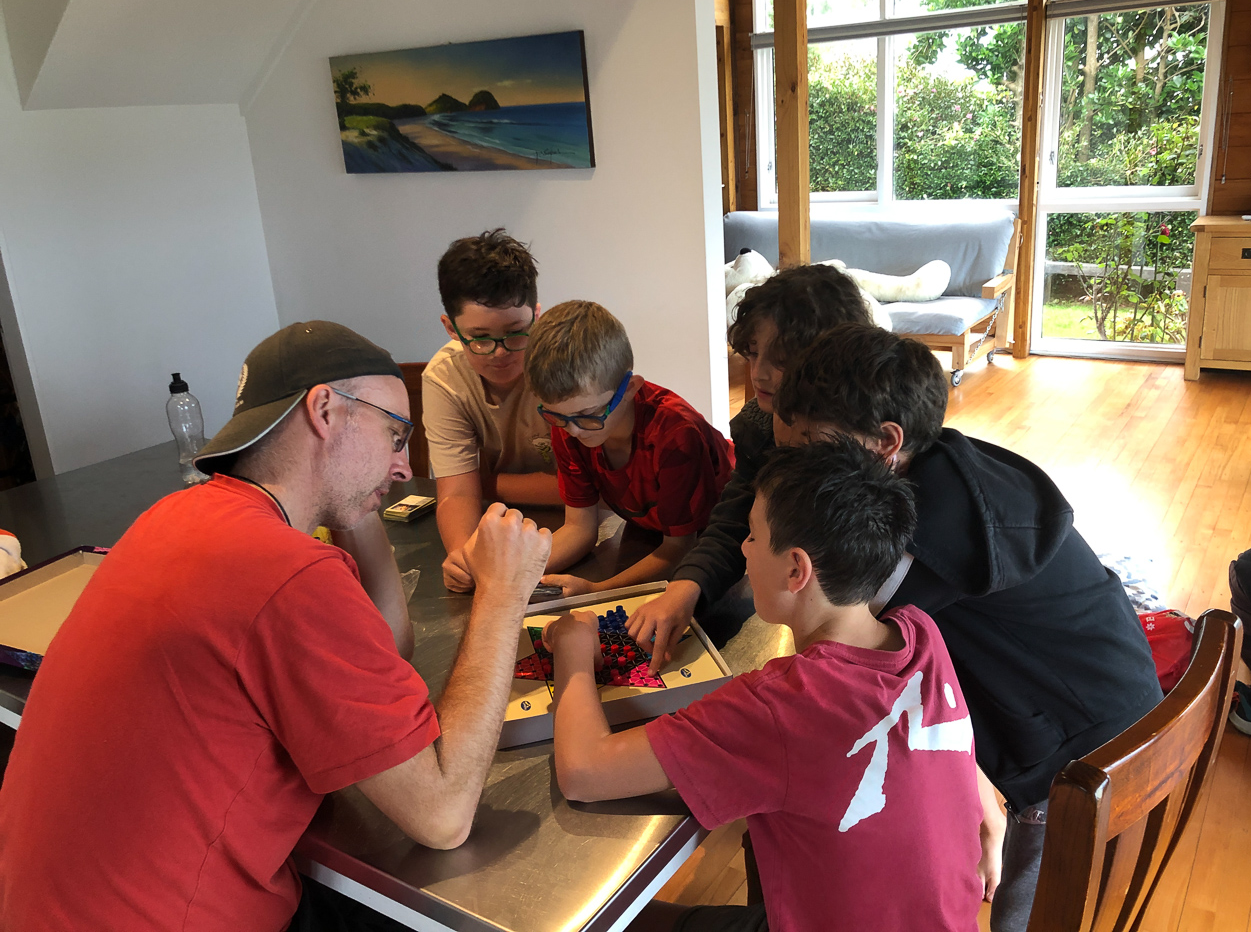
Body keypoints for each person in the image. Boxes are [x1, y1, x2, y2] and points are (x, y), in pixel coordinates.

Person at [0, 321, 552, 932]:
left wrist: (353, 495)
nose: (402, 467)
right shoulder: (286, 573)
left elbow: (383, 652)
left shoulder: (179, 516)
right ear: (325, 411)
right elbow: (443, 815)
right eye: (395, 435)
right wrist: (503, 595)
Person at [772, 323, 1165, 932]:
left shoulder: (927, 531)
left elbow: (840, 632)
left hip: (1082, 751)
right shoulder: (943, 465)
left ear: (885, 442)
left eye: (811, 444)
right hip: (1109, 699)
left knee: (1029, 913)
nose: (799, 464)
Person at [543, 438, 984, 932]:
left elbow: (583, 772)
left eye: (752, 535)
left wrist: (573, 649)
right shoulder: (921, 633)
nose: (743, 548)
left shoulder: (782, 704)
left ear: (796, 569)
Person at [625, 264, 874, 668]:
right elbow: (735, 516)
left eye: (781, 360)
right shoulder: (759, 424)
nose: (758, 374)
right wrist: (686, 585)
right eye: (753, 353)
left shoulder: (868, 444)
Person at [523, 300, 734, 597]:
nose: (573, 431)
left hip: (724, 532)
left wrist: (597, 590)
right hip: (655, 530)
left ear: (631, 388)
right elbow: (579, 528)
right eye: (557, 416)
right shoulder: (570, 424)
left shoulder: (675, 435)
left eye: (589, 414)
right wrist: (512, 575)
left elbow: (679, 549)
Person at [424, 229, 560, 592]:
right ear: (451, 328)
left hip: (583, 528)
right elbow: (456, 494)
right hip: (499, 529)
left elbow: (587, 490)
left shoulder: (563, 364)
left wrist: (482, 482)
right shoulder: (444, 378)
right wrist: (462, 555)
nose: (500, 352)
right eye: (481, 338)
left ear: (537, 316)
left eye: (516, 333)